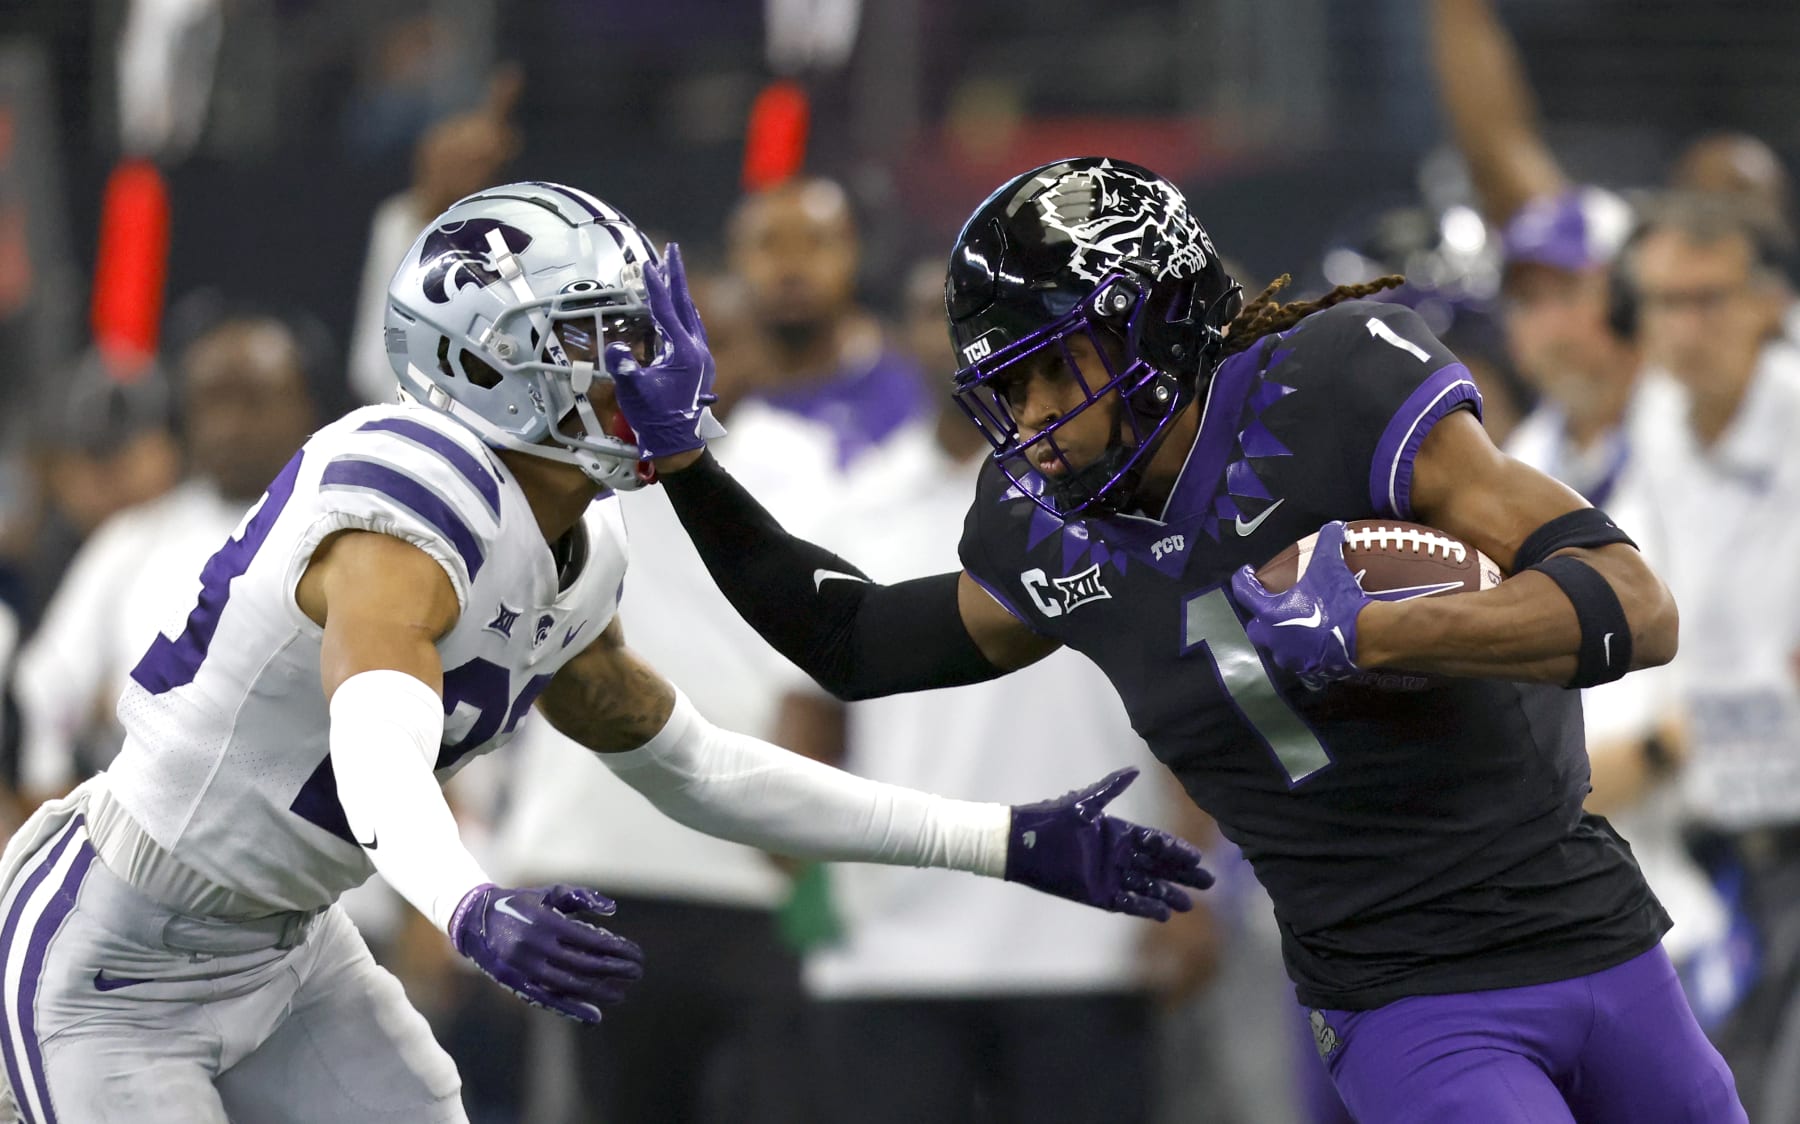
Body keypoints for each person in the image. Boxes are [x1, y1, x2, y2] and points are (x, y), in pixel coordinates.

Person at [0, 181, 1213, 1123]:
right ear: (483, 360)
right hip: (122, 947)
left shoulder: (579, 546)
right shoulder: (406, 495)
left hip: (289, 940)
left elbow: (698, 765)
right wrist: (470, 904)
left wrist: (997, 836)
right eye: (600, 338)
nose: (650, 363)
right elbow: (381, 755)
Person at [610, 156, 1745, 1123]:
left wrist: (1383, 630)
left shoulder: (1333, 388)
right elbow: (850, 640)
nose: (1034, 419)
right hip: (1408, 996)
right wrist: (687, 464)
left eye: (1057, 364)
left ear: (1155, 321)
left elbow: (1634, 606)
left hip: (1606, 940)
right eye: (1010, 384)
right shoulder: (1050, 534)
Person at [1620, 191, 1800, 1121]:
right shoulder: (1653, 423)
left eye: (1711, 299)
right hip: (1713, 854)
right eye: (1664, 303)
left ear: (1771, 303)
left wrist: (1684, 739)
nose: (1686, 328)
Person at [13, 315, 320, 807]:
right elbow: (43, 691)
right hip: (144, 843)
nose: (230, 427)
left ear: (303, 406)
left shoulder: (347, 535)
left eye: (252, 401)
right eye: (212, 403)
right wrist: (53, 809)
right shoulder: (134, 540)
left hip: (319, 853)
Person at [728, 175, 931, 466]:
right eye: (768, 245)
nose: (791, 267)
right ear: (737, 257)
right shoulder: (712, 394)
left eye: (815, 243)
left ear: (852, 253)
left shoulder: (913, 382)